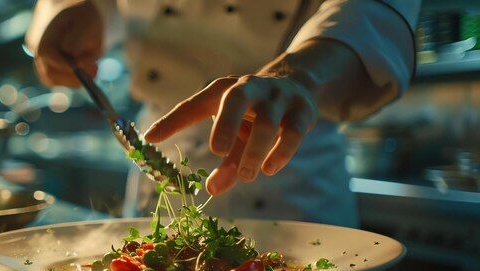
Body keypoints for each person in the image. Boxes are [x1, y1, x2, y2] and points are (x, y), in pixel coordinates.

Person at [26, 0, 421, 228]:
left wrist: (297, 75)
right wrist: (74, 12)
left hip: (294, 187)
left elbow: (370, 9)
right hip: (156, 179)